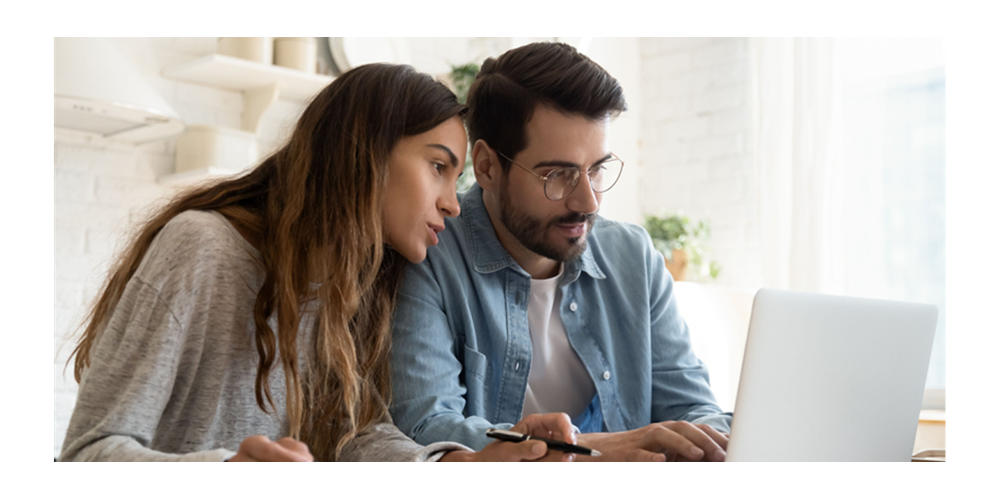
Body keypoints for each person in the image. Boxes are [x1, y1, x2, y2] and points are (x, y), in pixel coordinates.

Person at [59, 63, 576, 462]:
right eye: (438, 166)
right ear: (366, 153)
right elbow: (89, 448)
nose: (452, 203)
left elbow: (354, 434)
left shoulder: (358, 284)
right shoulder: (202, 249)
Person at [389, 43, 733, 462]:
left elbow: (695, 409)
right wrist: (596, 449)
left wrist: (712, 441)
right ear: (487, 167)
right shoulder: (430, 254)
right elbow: (427, 425)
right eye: (558, 175)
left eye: (597, 169)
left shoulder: (634, 257)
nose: (588, 201)